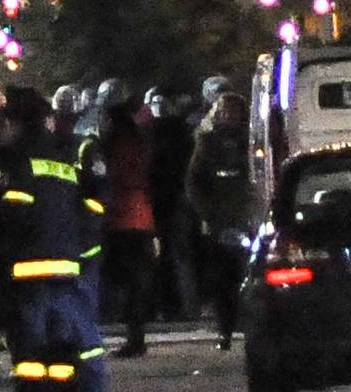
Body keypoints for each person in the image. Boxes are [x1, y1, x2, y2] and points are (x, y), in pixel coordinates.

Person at [0, 87, 108, 392]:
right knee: (62, 350)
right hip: (67, 266)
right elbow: (82, 205)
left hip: (28, 272)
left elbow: (13, 214)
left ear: (14, 123)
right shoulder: (63, 152)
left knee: (31, 355)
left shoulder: (13, 157)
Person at [85, 102, 159, 357]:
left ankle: (127, 335)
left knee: (121, 280)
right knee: (139, 282)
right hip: (142, 217)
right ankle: (136, 335)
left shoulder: (111, 148)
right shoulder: (142, 145)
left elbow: (109, 178)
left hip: (120, 218)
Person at [184, 91, 255, 348]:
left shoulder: (251, 141)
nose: (228, 117)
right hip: (218, 225)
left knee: (249, 278)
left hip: (247, 221)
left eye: (233, 112)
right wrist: (209, 214)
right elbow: (194, 184)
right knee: (221, 281)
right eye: (223, 112)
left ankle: (250, 328)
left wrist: (252, 212)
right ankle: (225, 331)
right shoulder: (207, 143)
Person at [142, 87, 196, 321]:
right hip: (175, 199)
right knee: (178, 255)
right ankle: (182, 307)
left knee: (160, 256)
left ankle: (166, 306)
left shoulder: (148, 133)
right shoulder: (183, 132)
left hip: (159, 201)